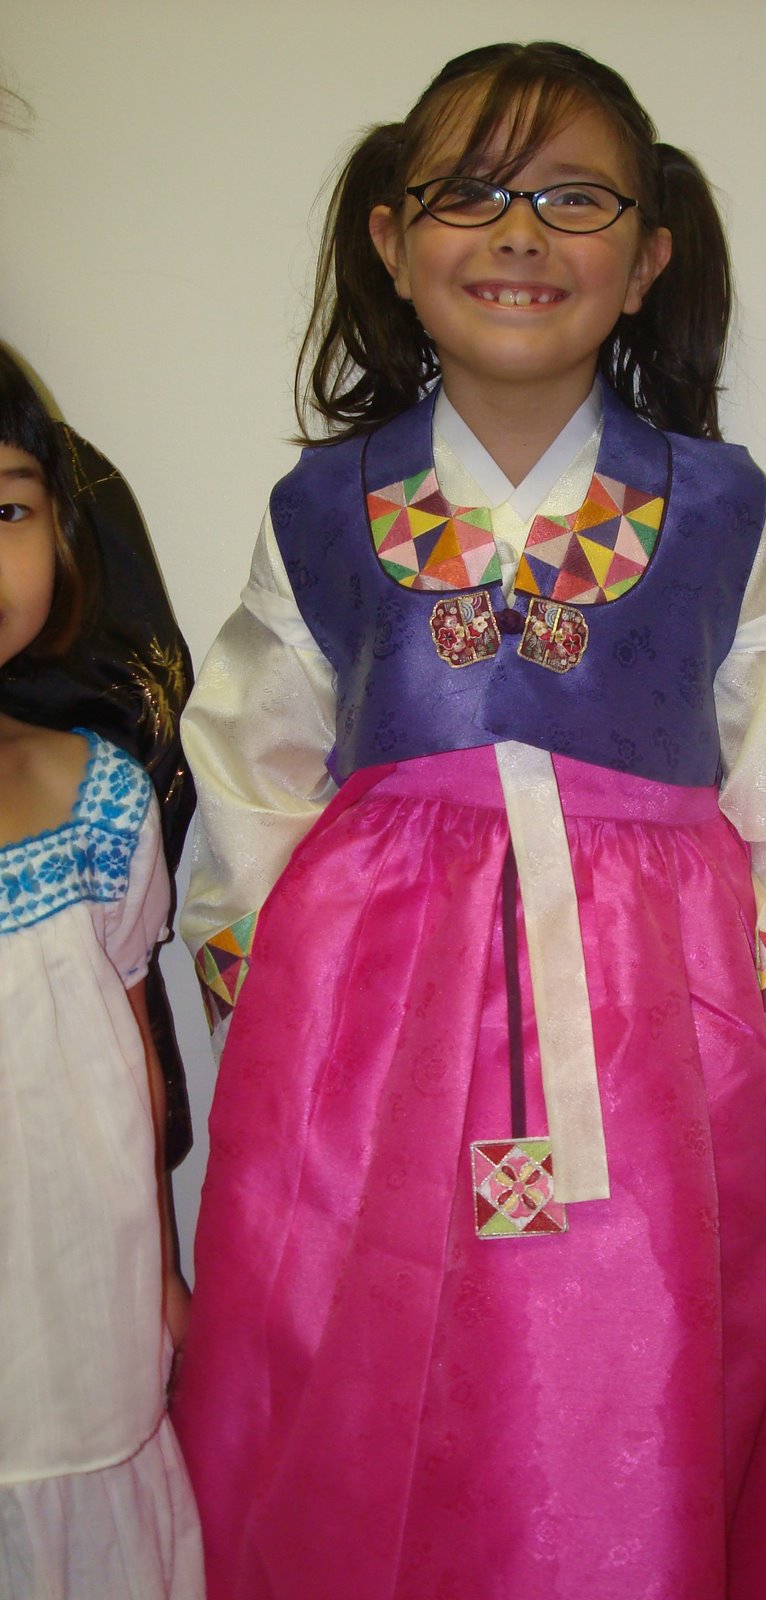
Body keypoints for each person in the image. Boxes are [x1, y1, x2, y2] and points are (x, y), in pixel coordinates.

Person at [175, 41, 766, 1600]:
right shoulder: (323, 514)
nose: (520, 233)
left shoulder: (723, 510)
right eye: (469, 193)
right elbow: (248, 776)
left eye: (572, 198)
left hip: (665, 1039)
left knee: (633, 1359)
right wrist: (283, 1027)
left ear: (649, 253)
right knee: (389, 1362)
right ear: (392, 240)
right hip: (384, 1039)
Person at [0, 348, 204, 1598]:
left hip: (83, 1321)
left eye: (4, 508)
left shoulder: (101, 798)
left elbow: (135, 1060)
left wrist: (165, 1277)